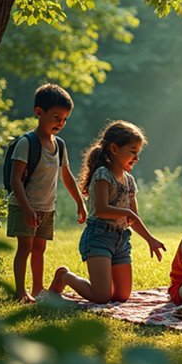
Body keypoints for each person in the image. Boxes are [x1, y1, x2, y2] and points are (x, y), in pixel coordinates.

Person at [49, 120, 166, 303]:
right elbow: (101, 209)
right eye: (132, 151)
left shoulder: (129, 181)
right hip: (99, 237)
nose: (136, 158)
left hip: (120, 240)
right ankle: (64, 276)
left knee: (121, 296)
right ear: (114, 148)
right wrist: (127, 214)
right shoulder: (103, 175)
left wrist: (150, 240)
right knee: (101, 297)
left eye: (138, 152)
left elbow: (133, 218)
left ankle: (98, 282)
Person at [7, 83, 87, 302]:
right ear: (39, 112)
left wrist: (80, 203)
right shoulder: (26, 143)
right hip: (24, 205)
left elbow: (67, 175)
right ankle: (20, 291)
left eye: (64, 119)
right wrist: (26, 208)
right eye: (56, 117)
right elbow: (15, 179)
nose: (60, 123)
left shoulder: (59, 145)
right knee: (25, 246)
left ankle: (37, 289)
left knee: (39, 248)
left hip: (47, 207)